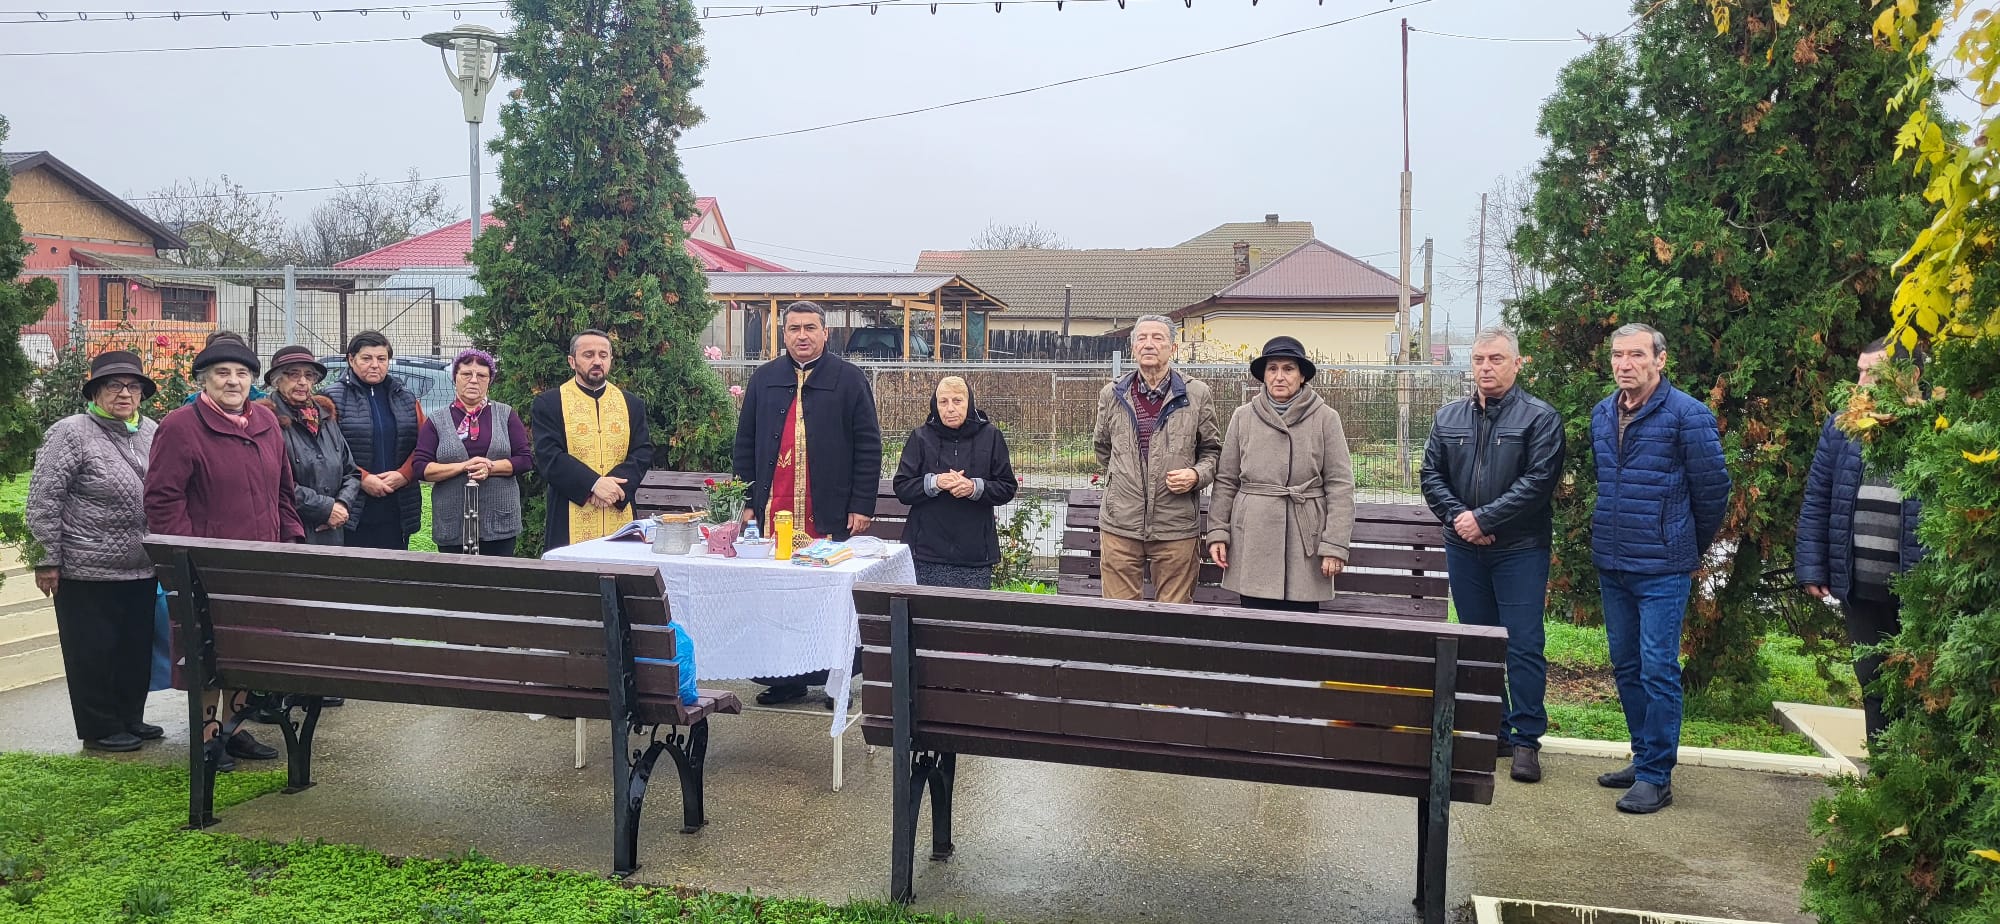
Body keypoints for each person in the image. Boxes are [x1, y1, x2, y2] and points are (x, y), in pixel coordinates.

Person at [145, 332, 305, 771]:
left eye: (242, 373)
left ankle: (234, 729)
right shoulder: (180, 427)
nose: (233, 381)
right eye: (222, 373)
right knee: (208, 653)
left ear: (252, 380)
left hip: (261, 562)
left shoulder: (265, 422)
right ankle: (208, 736)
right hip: (206, 568)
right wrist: (187, 558)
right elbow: (162, 500)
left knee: (247, 648)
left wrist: (290, 541)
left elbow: (284, 489)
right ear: (203, 379)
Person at [1588, 322, 1731, 814]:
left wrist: (1683, 543)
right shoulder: (1602, 414)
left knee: (1658, 669)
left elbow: (1713, 491)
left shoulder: (1688, 415)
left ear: (1660, 360)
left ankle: (1656, 777)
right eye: (1617, 355)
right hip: (1614, 561)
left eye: (1636, 354)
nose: (1624, 364)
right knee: (1627, 666)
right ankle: (1643, 755)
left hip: (1663, 569)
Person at [1419, 326, 1566, 784]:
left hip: (1519, 550)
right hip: (1465, 550)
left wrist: (1484, 519)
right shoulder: (1448, 417)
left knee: (1522, 644)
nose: (1486, 367)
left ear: (1517, 363)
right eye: (1479, 359)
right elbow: (1431, 475)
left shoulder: (1540, 419)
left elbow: (1537, 484)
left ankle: (1526, 740)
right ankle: (1493, 730)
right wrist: (1461, 518)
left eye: (1496, 359)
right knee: (1478, 642)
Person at [731, 301, 882, 706]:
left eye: (810, 328)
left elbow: (869, 446)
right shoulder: (764, 379)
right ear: (783, 334)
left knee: (829, 602)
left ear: (825, 333)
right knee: (776, 600)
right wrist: (746, 500)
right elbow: (745, 443)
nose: (802, 335)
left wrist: (862, 504)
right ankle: (785, 679)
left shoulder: (849, 379)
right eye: (794, 328)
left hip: (829, 513)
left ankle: (835, 682)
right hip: (772, 513)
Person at [26, 351, 163, 753]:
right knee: (92, 651)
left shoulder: (152, 431)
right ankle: (100, 727)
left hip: (141, 564)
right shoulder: (70, 432)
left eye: (133, 386)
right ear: (96, 392)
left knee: (134, 648)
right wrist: (46, 559)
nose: (124, 393)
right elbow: (43, 498)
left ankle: (129, 717)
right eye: (113, 385)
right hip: (85, 566)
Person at [1795, 338, 1924, 742]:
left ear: (1910, 375)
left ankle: (1920, 769)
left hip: (1919, 586)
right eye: (1861, 371)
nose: (1862, 382)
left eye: (1874, 372)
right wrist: (1813, 566)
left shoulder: (1935, 426)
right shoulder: (1842, 426)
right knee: (1873, 678)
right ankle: (1883, 769)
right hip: (1860, 582)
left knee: (1923, 682)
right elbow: (1819, 496)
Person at [1206, 336, 1354, 611]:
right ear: (1263, 375)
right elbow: (1226, 480)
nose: (1279, 376)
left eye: (1288, 369)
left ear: (1302, 376)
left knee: (1302, 626)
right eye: (1272, 369)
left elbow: (1340, 485)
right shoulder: (1243, 417)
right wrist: (1217, 532)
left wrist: (1334, 546)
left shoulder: (1325, 418)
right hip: (1253, 536)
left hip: (1305, 540)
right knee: (1254, 623)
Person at [1093, 314, 1222, 603]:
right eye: (1142, 338)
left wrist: (1196, 475)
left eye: (1157, 338)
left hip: (1175, 524)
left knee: (1174, 614)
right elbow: (1103, 447)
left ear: (1172, 348)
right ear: (1133, 347)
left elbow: (1212, 451)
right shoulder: (1112, 394)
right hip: (1121, 523)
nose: (1149, 344)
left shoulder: (1196, 393)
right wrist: (1126, 478)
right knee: (1118, 613)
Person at [892, 376, 1018, 589]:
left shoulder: (991, 436)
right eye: (943, 402)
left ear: (969, 403)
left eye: (957, 401)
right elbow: (902, 487)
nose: (950, 408)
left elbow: (1007, 487)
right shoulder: (920, 437)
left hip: (975, 553)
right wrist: (935, 483)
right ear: (935, 405)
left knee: (969, 610)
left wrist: (974, 488)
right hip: (926, 551)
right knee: (926, 610)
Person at [531, 329, 654, 548]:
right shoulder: (550, 403)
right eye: (588, 355)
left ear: (611, 360)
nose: (597, 361)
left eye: (603, 355)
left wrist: (613, 489)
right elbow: (548, 455)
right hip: (568, 514)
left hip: (620, 509)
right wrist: (593, 484)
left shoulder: (631, 404)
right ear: (572, 361)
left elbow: (642, 452)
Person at [414, 349, 532, 557]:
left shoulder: (505, 414)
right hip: (453, 521)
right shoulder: (437, 420)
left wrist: (490, 468)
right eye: (466, 374)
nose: (474, 380)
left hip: (499, 521)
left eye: (482, 375)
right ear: (455, 378)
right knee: (456, 576)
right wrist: (463, 466)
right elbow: (421, 467)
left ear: (489, 381)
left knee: (497, 574)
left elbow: (525, 460)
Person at [322, 331, 425, 550]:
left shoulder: (405, 397)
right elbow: (326, 449)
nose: (375, 365)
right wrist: (363, 478)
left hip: (398, 504)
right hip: (352, 506)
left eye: (381, 359)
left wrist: (404, 475)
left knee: (393, 567)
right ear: (351, 359)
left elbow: (423, 444)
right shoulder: (331, 398)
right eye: (366, 358)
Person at [259, 345, 361, 547]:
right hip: (290, 533)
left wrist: (341, 505)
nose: (302, 382)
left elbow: (351, 472)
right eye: (293, 374)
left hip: (333, 532)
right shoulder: (266, 420)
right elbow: (273, 483)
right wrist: (325, 509)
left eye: (309, 375)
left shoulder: (326, 417)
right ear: (277, 380)